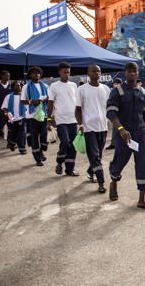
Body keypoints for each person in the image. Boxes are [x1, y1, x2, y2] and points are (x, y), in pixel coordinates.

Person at [106, 62, 145, 209]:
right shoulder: (117, 91)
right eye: (129, 71)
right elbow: (111, 112)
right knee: (119, 162)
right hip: (124, 135)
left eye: (134, 71)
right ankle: (114, 183)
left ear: (138, 73)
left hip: (140, 133)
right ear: (124, 73)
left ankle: (141, 200)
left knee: (143, 164)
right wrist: (121, 129)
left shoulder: (143, 92)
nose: (132, 74)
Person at [76, 65, 111, 193]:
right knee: (95, 156)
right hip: (88, 128)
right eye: (94, 71)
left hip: (103, 127)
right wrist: (81, 125)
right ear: (88, 73)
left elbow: (110, 107)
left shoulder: (106, 89)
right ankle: (101, 182)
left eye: (99, 71)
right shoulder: (82, 89)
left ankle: (90, 171)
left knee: (99, 155)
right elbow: (78, 109)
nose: (97, 73)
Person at [47, 62, 79, 176]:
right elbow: (50, 104)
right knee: (65, 142)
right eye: (64, 72)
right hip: (61, 121)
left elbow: (77, 103)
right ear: (59, 72)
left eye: (68, 73)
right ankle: (59, 162)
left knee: (73, 145)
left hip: (73, 120)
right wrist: (48, 120)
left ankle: (70, 169)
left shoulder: (74, 85)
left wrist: (81, 120)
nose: (66, 75)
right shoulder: (54, 86)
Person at [21, 66, 49, 166]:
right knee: (34, 138)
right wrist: (32, 101)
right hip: (32, 116)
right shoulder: (26, 87)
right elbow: (22, 101)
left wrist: (46, 100)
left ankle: (41, 151)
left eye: (38, 72)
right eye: (34, 73)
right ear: (30, 75)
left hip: (43, 115)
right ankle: (37, 159)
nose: (36, 74)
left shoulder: (45, 86)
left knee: (43, 137)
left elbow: (49, 99)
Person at [1, 82, 27, 154]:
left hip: (22, 117)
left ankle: (22, 148)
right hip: (12, 118)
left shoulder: (23, 96)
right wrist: (6, 115)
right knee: (14, 133)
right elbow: (5, 108)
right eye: (17, 85)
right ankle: (12, 144)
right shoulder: (8, 97)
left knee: (22, 133)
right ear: (13, 88)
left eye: (20, 86)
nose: (19, 87)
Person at [106, 78, 122, 150]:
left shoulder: (120, 90)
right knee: (115, 129)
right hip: (115, 113)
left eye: (116, 83)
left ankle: (115, 144)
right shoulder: (115, 90)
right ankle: (114, 143)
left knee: (117, 128)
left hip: (119, 113)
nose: (115, 85)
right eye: (114, 84)